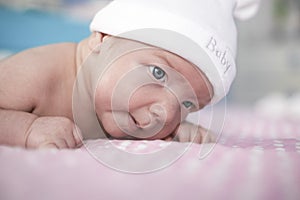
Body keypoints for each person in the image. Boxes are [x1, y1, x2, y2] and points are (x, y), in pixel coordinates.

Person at [0, 0, 260, 149]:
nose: (166, 113)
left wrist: (180, 131)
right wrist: (26, 129)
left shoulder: (138, 114)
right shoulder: (39, 73)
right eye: (158, 73)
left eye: (188, 104)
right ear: (102, 39)